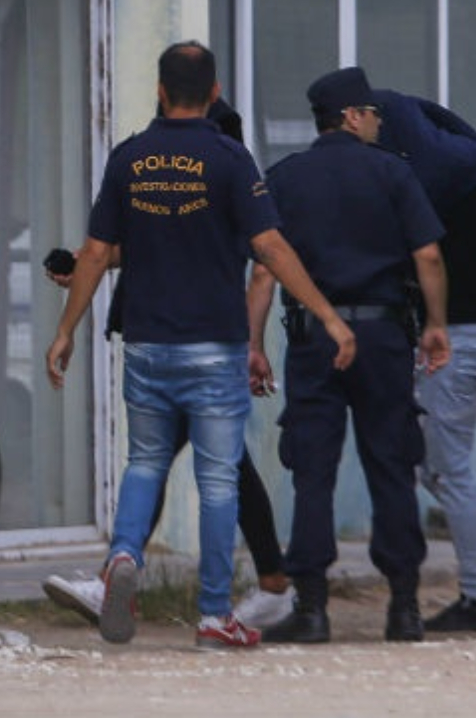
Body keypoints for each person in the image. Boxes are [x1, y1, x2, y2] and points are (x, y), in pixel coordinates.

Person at [44, 42, 354, 651]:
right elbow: (270, 248)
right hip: (213, 346)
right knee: (217, 481)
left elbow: (98, 252)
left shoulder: (129, 158)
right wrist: (329, 317)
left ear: (159, 91)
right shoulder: (231, 159)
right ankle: (214, 616)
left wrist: (64, 332)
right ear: (214, 94)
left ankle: (122, 558)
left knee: (145, 462)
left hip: (147, 344)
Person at [39, 100, 295, 632]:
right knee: (222, 469)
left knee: (156, 464)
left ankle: (124, 572)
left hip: (171, 346)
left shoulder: (219, 179)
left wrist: (252, 343)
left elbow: (263, 267)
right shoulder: (210, 185)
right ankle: (263, 585)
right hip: (196, 347)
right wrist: (84, 266)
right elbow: (126, 249)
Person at [247, 66, 450, 645]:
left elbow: (264, 268)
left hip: (316, 339)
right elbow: (429, 256)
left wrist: (255, 345)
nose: (380, 124)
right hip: (385, 340)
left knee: (313, 470)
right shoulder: (393, 174)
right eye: (373, 115)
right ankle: (404, 609)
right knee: (391, 462)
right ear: (353, 117)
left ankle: (311, 610)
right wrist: (436, 325)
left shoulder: (285, 178)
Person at [371, 89, 476, 634]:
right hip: (474, 337)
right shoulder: (466, 174)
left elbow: (422, 261)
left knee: (448, 468)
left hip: (455, 340)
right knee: (434, 463)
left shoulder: (431, 190)